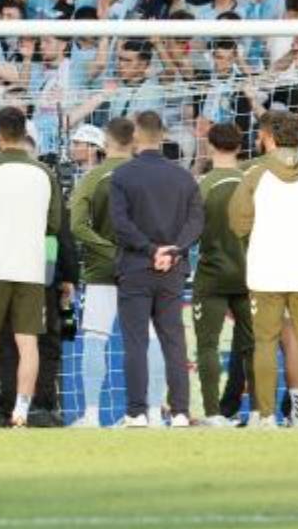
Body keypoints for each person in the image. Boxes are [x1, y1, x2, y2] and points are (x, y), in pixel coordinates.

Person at [232, 110, 298, 429]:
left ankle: (265, 416)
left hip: (266, 271)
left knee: (265, 343)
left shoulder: (255, 174)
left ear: (271, 139)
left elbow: (236, 223)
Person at [0, 105, 61, 428]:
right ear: (25, 132)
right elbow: (55, 224)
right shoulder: (45, 173)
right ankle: (20, 411)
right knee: (28, 341)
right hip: (31, 267)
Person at [106, 110, 203, 428]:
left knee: (135, 341)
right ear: (162, 135)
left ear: (135, 134)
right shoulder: (183, 177)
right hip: (172, 269)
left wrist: (150, 250)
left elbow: (121, 225)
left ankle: (137, 412)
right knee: (173, 340)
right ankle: (179, 412)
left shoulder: (122, 175)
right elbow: (196, 222)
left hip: (136, 266)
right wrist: (174, 249)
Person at [70, 117, 140, 425]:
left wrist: (108, 249)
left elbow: (75, 226)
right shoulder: (146, 174)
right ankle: (144, 413)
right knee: (142, 339)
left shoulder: (92, 177)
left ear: (105, 143)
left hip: (101, 270)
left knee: (96, 338)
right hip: (141, 268)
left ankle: (91, 414)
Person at [191, 121, 252, 427]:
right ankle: (259, 413)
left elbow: (190, 230)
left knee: (208, 345)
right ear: (240, 147)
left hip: (212, 275)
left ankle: (214, 413)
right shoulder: (251, 182)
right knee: (253, 345)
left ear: (210, 146)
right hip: (250, 275)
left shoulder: (202, 185)